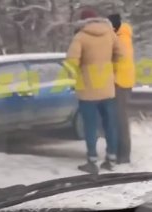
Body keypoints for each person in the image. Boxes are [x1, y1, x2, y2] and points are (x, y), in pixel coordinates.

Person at [65, 9, 126, 174]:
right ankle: (111, 159)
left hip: (88, 90)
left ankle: (92, 162)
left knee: (90, 126)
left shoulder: (80, 37)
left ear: (82, 21)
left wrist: (78, 72)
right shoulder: (110, 34)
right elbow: (121, 55)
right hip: (107, 88)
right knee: (110, 125)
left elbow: (71, 63)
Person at [108, 13, 135, 164]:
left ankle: (123, 155)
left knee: (120, 120)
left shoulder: (121, 39)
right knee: (118, 119)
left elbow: (118, 61)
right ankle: (120, 152)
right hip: (121, 82)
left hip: (121, 84)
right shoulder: (121, 37)